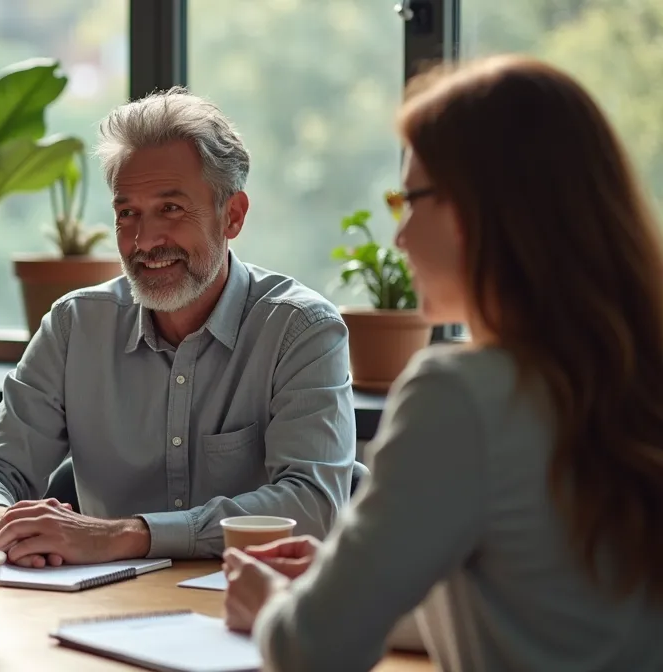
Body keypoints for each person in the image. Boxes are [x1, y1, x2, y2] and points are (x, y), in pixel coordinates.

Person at [224, 56, 663, 671]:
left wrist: (271, 602)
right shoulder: (626, 377)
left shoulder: (460, 396)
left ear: (470, 209)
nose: (399, 237)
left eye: (411, 200)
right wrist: (348, 583)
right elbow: (537, 612)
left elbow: (312, 650)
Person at [0, 87, 356, 567]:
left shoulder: (301, 329)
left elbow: (312, 505)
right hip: (100, 613)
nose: (144, 241)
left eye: (171, 209)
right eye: (126, 213)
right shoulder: (76, 325)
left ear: (233, 216)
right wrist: (4, 526)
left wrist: (121, 536)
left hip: (249, 613)